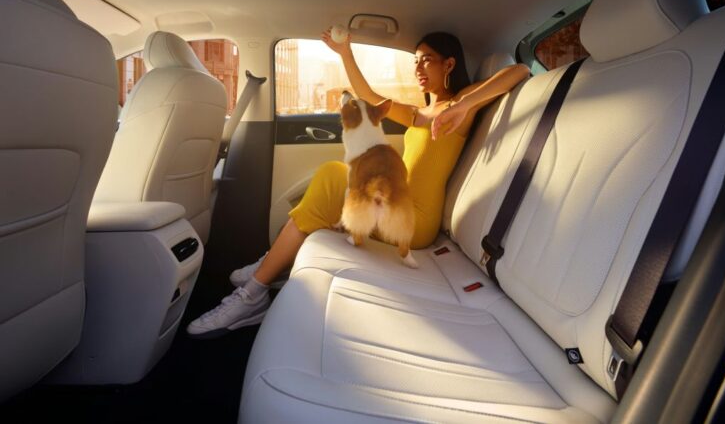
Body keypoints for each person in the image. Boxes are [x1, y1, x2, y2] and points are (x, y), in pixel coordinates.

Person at [186, 30, 530, 337]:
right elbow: (367, 95)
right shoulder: (418, 113)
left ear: (449, 64)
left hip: (416, 221)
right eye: (415, 62)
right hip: (393, 204)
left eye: (427, 60)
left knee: (334, 177)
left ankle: (253, 293)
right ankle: (270, 268)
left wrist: (465, 104)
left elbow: (519, 71)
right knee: (335, 177)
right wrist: (345, 53)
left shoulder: (461, 105)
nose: (418, 68)